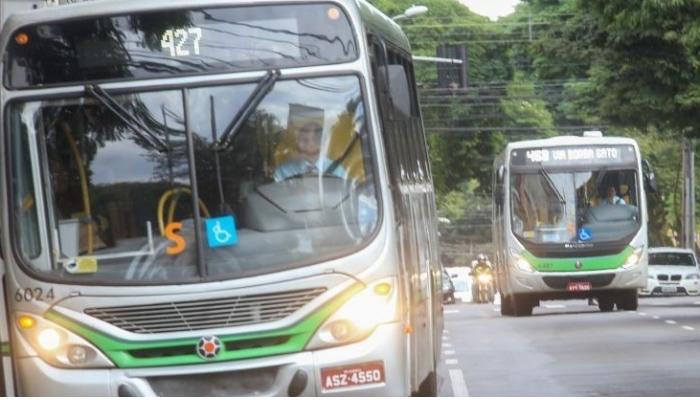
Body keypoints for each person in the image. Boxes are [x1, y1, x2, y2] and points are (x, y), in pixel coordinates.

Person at [273, 121, 346, 182]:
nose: (299, 144)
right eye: (298, 139)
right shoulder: (283, 171)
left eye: (305, 140)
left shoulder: (338, 171)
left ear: (318, 143)